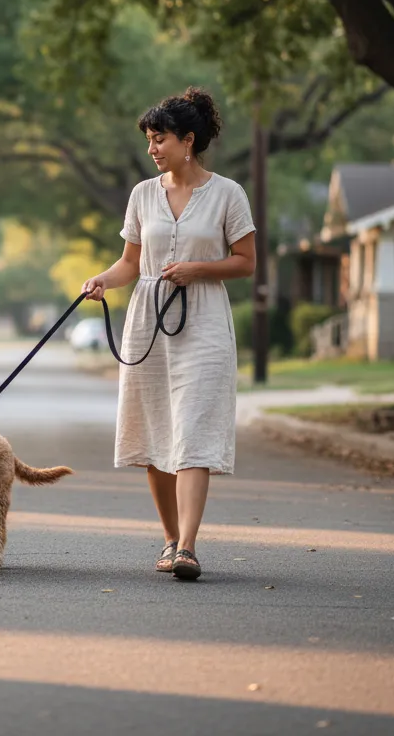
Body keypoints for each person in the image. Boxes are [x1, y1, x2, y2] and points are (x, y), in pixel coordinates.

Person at [81, 88, 256, 581]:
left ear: (188, 140)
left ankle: (189, 548)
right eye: (150, 141)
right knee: (158, 430)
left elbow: (246, 263)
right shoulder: (142, 194)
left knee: (194, 429)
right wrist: (101, 281)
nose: (153, 148)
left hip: (203, 321)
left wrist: (198, 269)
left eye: (160, 139)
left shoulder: (228, 194)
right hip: (148, 319)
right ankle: (170, 538)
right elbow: (131, 264)